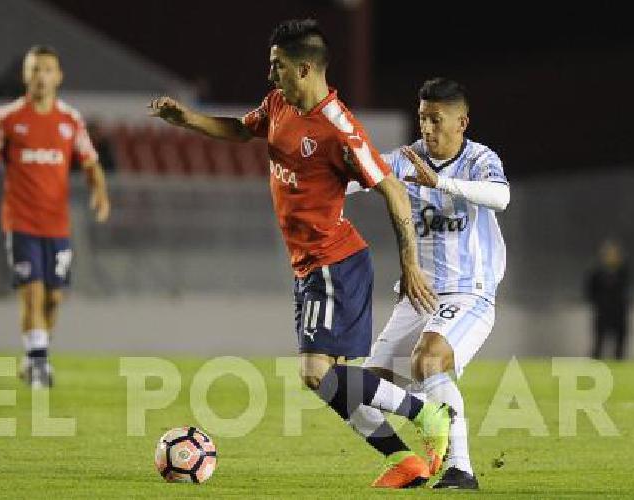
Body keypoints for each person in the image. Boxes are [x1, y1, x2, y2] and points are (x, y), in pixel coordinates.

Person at [149, 19, 451, 488]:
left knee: (315, 374)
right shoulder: (277, 105)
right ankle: (405, 461)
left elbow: (391, 188)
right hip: (311, 266)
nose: (271, 76)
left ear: (306, 69)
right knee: (327, 382)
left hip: (335, 262)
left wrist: (410, 261)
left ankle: (428, 413)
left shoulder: (339, 129)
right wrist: (187, 120)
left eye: (278, 67)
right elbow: (240, 129)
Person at [346, 77, 510, 489]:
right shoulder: (405, 160)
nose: (428, 128)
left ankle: (461, 469)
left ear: (462, 122)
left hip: (469, 292)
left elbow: (500, 197)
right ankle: (408, 463)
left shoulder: (479, 159)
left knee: (429, 361)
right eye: (422, 118)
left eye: (437, 120)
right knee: (356, 395)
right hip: (417, 298)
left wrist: (440, 184)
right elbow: (354, 178)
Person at [0, 45, 111, 388]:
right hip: (20, 221)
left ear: (59, 77)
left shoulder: (70, 120)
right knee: (33, 293)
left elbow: (91, 162)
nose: (41, 76)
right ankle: (39, 366)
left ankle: (34, 354)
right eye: (34, 69)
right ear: (25, 76)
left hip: (58, 225)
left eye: (47, 69)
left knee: (54, 298)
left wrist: (99, 192)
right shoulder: (7, 119)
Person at [585, 240, 630, 360]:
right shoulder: (596, 273)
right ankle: (595, 367)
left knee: (619, 344)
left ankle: (619, 367)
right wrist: (598, 302)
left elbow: (625, 286)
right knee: (599, 343)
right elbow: (590, 291)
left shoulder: (622, 272)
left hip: (619, 312)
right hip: (603, 312)